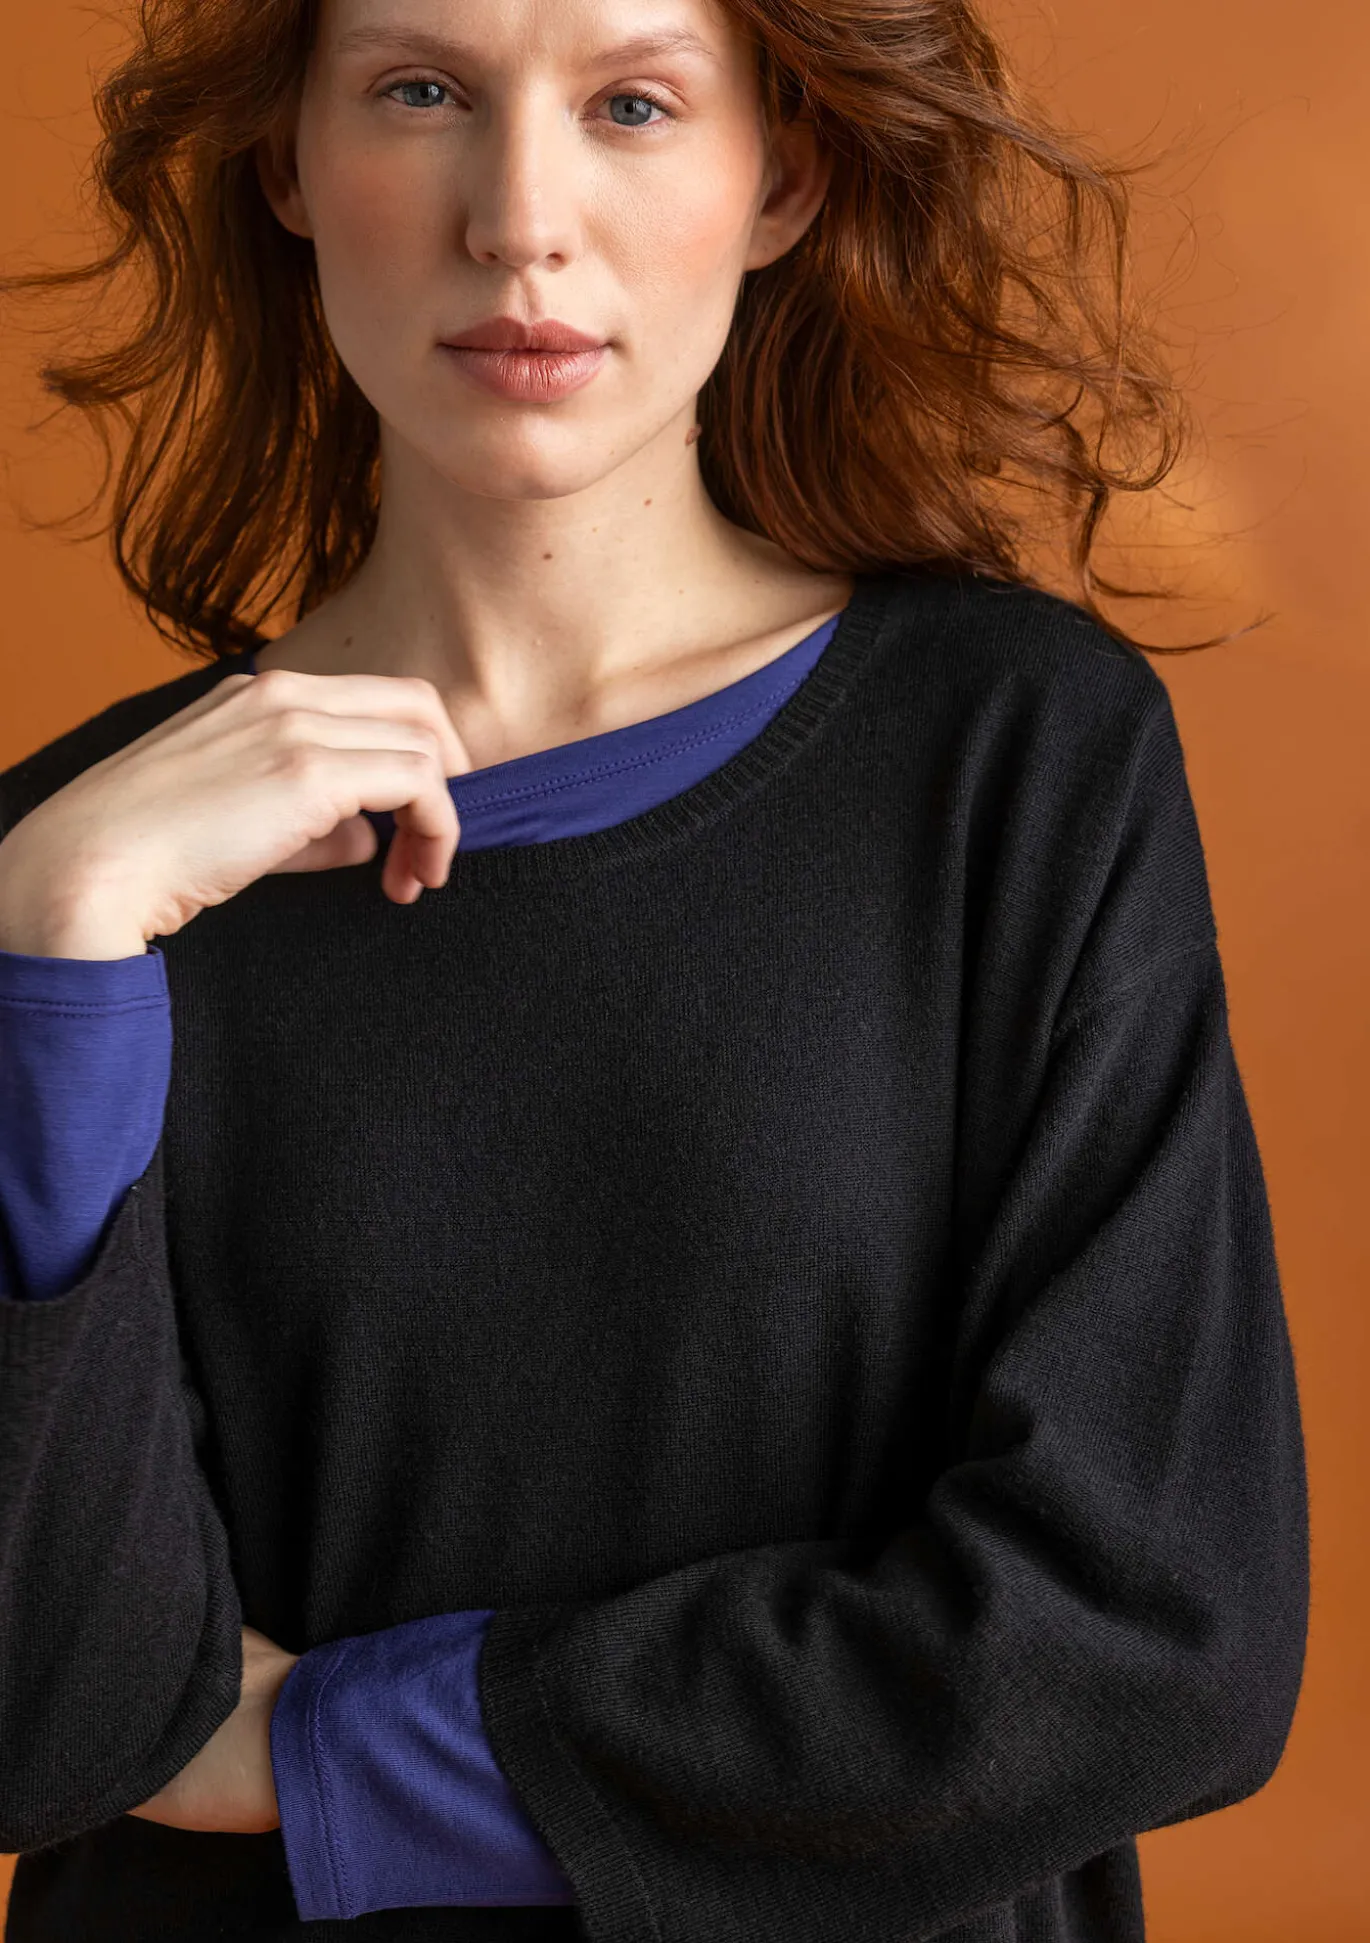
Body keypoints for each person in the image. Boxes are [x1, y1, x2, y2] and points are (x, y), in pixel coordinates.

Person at [0, 0, 1308, 1939]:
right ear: (287, 161)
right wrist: (53, 966)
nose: (519, 218)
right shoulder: (70, 875)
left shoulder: (1018, 764)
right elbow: (51, 1718)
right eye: (420, 92)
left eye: (631, 102)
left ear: (780, 177)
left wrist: (338, 1751)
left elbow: (1148, 1630)